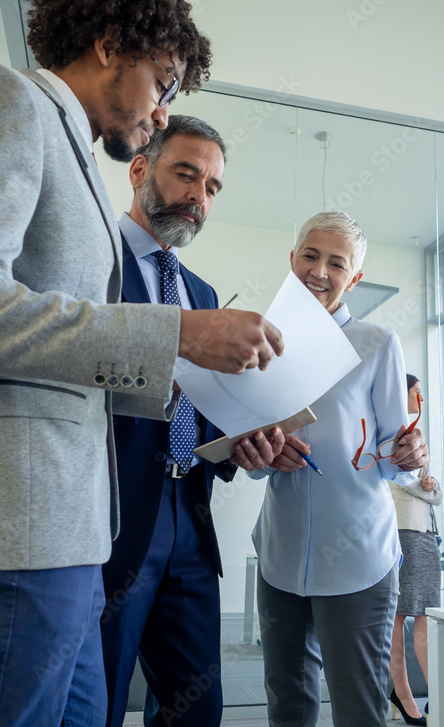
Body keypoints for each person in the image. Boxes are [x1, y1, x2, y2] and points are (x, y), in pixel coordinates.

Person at [0, 3, 283, 725]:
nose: (161, 112)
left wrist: (229, 425)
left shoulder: (76, 159)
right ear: (109, 44)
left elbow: (78, 362)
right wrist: (176, 335)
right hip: (8, 528)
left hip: (72, 537)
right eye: (165, 82)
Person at [99, 115, 283, 727]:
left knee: (197, 712)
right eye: (187, 174)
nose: (198, 197)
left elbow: (199, 404)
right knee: (94, 701)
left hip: (192, 523)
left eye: (211, 188)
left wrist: (238, 446)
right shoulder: (95, 258)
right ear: (138, 167)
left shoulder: (202, 292)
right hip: (116, 520)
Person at [249, 211, 429, 727]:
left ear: (354, 278)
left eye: (336, 263)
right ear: (291, 260)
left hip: (358, 558)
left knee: (358, 706)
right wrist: (262, 451)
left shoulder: (377, 345)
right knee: (287, 699)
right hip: (280, 553)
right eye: (310, 255)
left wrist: (411, 455)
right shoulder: (261, 341)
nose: (319, 271)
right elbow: (251, 453)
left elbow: (399, 457)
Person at [387, 374, 441, 726]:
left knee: (425, 618)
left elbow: (434, 492)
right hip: (402, 530)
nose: (420, 396)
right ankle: (404, 697)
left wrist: (429, 486)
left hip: (425, 533)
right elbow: (392, 477)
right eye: (415, 391)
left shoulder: (416, 432)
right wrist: (425, 486)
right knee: (398, 619)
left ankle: (436, 693)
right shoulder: (387, 430)